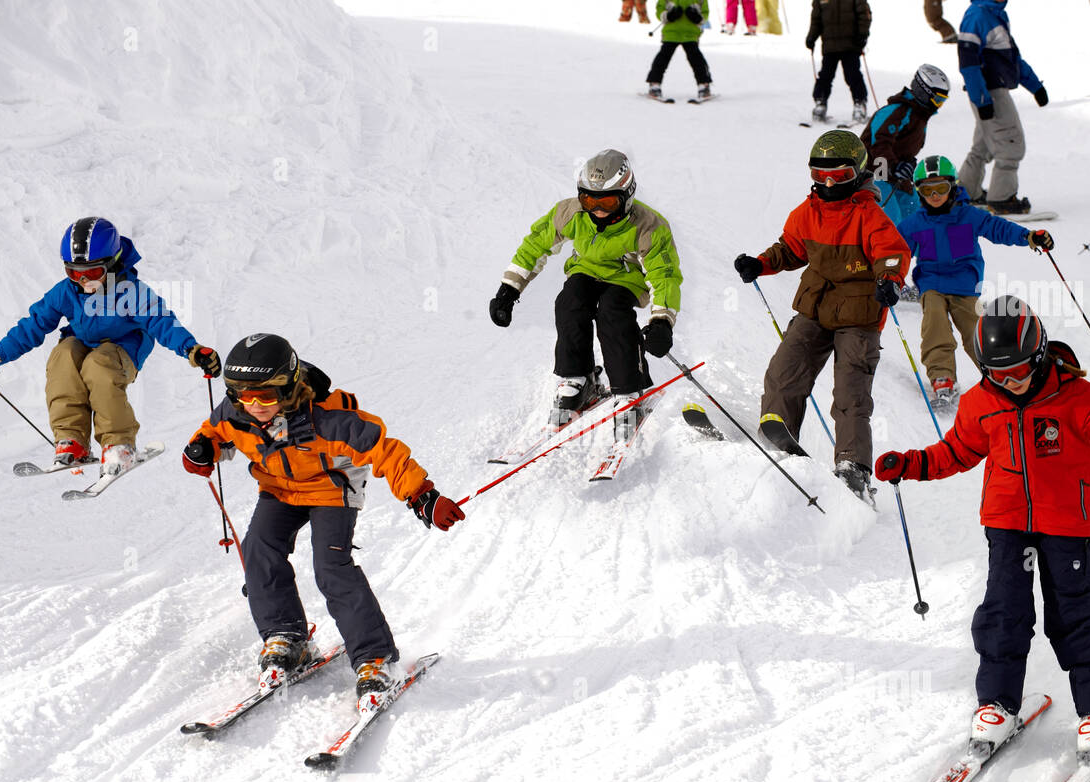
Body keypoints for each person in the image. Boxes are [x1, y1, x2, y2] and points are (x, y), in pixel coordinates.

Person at [875, 295, 1090, 760]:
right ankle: (998, 706)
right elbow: (957, 452)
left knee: (1073, 614)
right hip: (1006, 522)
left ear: (1040, 353)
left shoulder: (1079, 397)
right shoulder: (982, 401)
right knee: (1003, 612)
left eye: (1019, 372)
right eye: (997, 375)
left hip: (1067, 523)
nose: (1010, 383)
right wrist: (912, 463)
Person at [181, 334, 465, 702]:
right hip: (279, 489)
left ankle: (375, 659)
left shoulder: (328, 418)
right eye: (243, 395)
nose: (255, 405)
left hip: (331, 488)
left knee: (331, 565)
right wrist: (203, 449)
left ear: (288, 386)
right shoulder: (237, 412)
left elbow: (385, 451)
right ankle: (287, 637)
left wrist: (422, 495)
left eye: (266, 395)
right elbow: (215, 431)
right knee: (259, 549)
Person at [0, 216, 218, 476]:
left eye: (92, 273)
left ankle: (119, 445)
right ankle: (72, 441)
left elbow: (161, 321)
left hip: (123, 349)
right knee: (63, 356)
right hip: (84, 342)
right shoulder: (67, 291)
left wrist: (191, 349)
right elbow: (33, 325)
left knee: (98, 364)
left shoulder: (131, 291)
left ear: (112, 264)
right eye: (73, 272)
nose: (83, 281)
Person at [732, 130, 910, 500]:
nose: (828, 184)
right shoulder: (806, 213)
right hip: (815, 307)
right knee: (785, 369)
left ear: (858, 173)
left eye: (839, 176)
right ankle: (776, 436)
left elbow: (892, 253)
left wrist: (890, 279)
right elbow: (790, 250)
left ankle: (853, 468)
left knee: (850, 391)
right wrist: (761, 263)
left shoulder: (869, 215)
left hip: (859, 313)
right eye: (819, 175)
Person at [488, 149, 683, 441]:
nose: (597, 209)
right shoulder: (572, 213)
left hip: (625, 280)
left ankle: (630, 390)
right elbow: (534, 246)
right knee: (569, 302)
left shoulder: (648, 226)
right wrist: (509, 289)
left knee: (612, 311)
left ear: (627, 195)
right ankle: (579, 380)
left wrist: (662, 322)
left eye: (606, 201)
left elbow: (664, 275)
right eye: (589, 199)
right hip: (585, 271)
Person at [895, 155, 1054, 407]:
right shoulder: (915, 224)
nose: (935, 195)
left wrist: (1029, 237)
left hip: (964, 285)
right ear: (919, 191)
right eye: (927, 190)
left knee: (975, 331)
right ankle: (942, 377)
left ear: (953, 186)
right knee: (935, 324)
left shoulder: (968, 216)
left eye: (941, 188)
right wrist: (885, 274)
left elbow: (998, 228)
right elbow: (896, 251)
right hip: (932, 284)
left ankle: (998, 373)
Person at [955, 0, 1049, 215]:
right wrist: (982, 99)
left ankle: (967, 192)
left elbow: (1012, 59)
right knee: (1010, 144)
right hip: (989, 93)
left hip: (992, 91)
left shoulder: (995, 14)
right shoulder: (977, 15)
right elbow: (968, 62)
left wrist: (1035, 87)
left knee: (984, 145)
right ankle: (1002, 199)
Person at [860, 64, 951, 226]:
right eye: (937, 99)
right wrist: (894, 166)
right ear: (924, 92)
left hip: (896, 177)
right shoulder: (897, 111)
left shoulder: (920, 116)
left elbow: (905, 149)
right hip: (875, 173)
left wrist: (908, 163)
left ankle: (913, 249)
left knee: (916, 217)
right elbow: (879, 144)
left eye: (942, 102)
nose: (938, 106)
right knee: (890, 220)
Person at [806, 0, 873, 124]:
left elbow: (864, 14)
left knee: (853, 75)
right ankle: (820, 102)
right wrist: (811, 36)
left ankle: (860, 104)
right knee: (825, 76)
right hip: (830, 46)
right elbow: (816, 19)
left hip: (851, 45)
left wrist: (863, 34)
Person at [646, 1, 713, 101]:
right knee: (663, 58)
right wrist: (668, 15)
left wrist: (697, 17)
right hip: (671, 32)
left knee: (696, 59)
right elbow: (659, 9)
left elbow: (705, 12)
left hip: (690, 33)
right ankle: (654, 83)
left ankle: (704, 85)